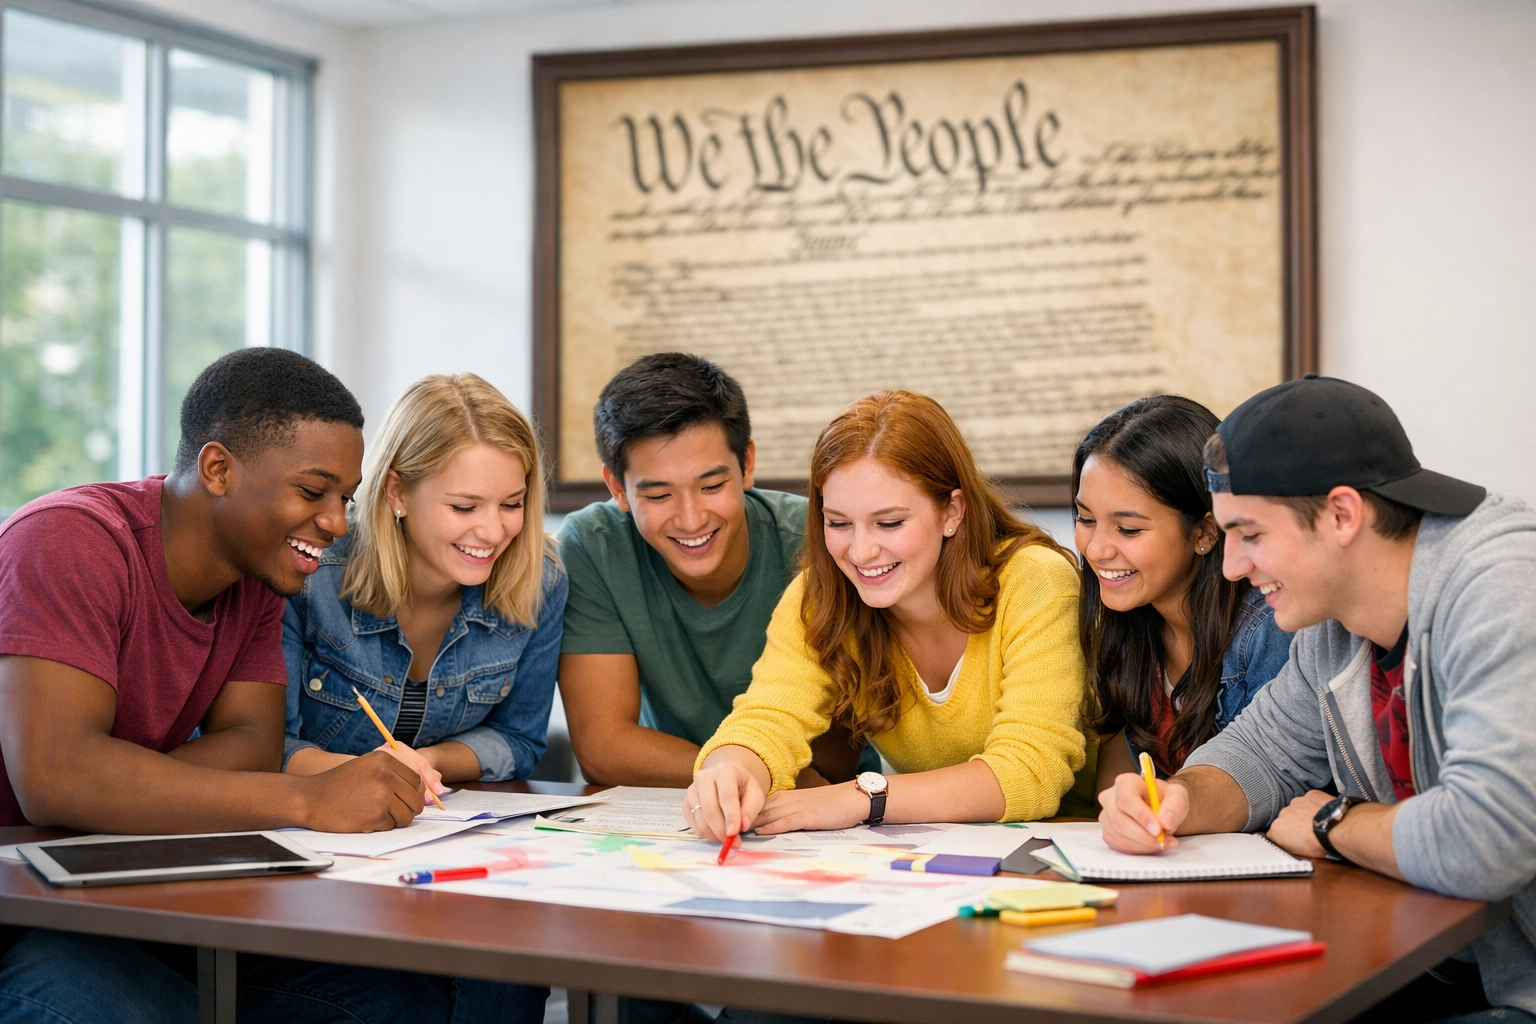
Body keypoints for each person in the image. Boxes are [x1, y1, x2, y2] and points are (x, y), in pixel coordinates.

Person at [0, 349, 439, 1023]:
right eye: (313, 491)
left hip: (124, 879)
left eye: (344, 499)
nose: (337, 523)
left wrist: (111, 786)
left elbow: (252, 746)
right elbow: (55, 777)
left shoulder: (255, 576)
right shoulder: (68, 540)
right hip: (23, 896)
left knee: (388, 997)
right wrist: (307, 798)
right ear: (218, 469)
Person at [1097, 375, 1536, 1024]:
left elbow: (1485, 839)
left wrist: (1334, 824)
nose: (1231, 568)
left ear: (1341, 514)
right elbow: (1263, 753)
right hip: (1464, 964)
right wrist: (1180, 799)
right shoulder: (1334, 619)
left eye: (1250, 534)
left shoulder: (1503, 589)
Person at [687, 389, 1096, 843]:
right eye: (838, 523)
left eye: (889, 523)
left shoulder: (1036, 581)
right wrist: (730, 767)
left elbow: (1031, 770)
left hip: (1070, 848)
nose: (860, 552)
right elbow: (768, 716)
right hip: (938, 854)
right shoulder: (820, 593)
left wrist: (859, 797)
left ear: (952, 512)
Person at [558, 352, 874, 789]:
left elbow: (833, 758)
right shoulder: (594, 544)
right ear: (618, 488)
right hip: (678, 806)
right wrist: (734, 774)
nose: (690, 519)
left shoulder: (819, 541)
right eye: (659, 495)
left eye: (711, 486)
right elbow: (605, 750)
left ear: (747, 464)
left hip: (827, 804)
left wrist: (738, 775)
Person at [1072, 396, 1292, 791]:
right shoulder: (1127, 619)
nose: (1096, 549)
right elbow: (1117, 791)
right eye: (1086, 519)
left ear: (1205, 532)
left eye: (1129, 530)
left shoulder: (1269, 629)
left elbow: (1278, 785)